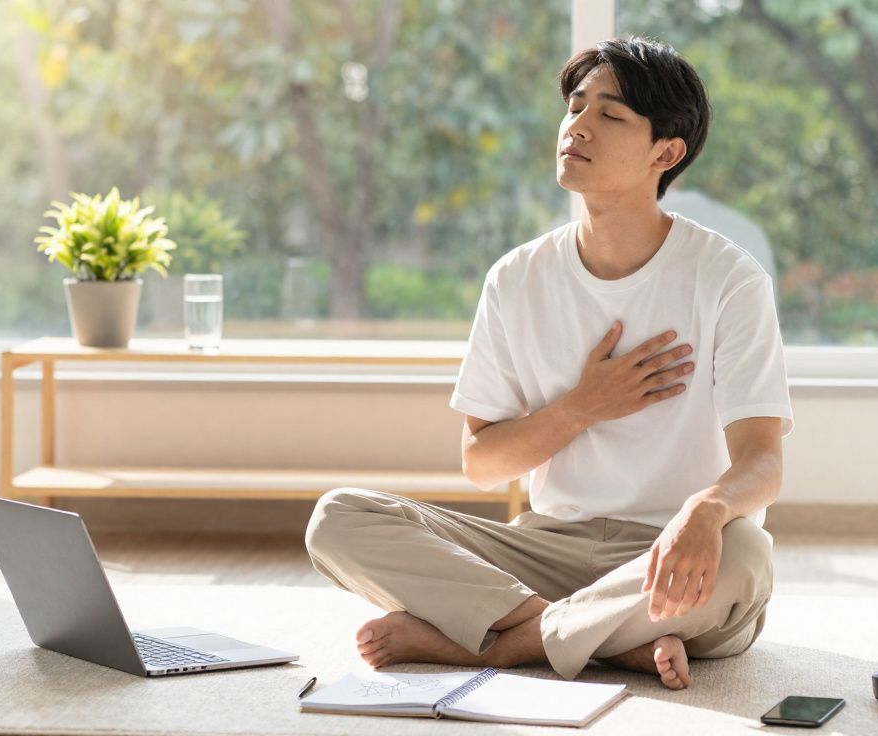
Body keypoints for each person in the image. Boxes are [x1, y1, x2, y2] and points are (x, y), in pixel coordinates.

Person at [305, 35, 793, 690]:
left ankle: (497, 644)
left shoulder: (729, 278)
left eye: (610, 115)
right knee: (338, 518)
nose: (578, 126)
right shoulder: (517, 278)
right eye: (575, 107)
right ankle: (594, 639)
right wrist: (580, 409)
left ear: (666, 153)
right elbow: (482, 463)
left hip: (671, 556)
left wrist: (705, 511)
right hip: (545, 549)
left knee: (747, 554)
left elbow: (762, 463)